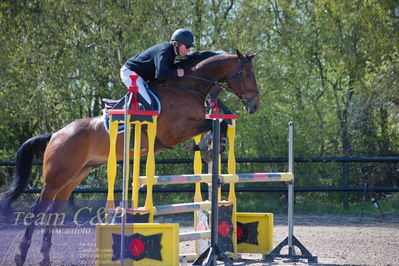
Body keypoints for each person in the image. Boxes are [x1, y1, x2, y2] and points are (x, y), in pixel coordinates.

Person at [120, 29, 195, 106]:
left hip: (140, 76)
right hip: (130, 73)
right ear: (177, 44)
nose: (189, 50)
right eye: (187, 46)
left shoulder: (171, 51)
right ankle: (111, 113)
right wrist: (176, 72)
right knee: (147, 103)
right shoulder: (165, 51)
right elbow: (161, 74)